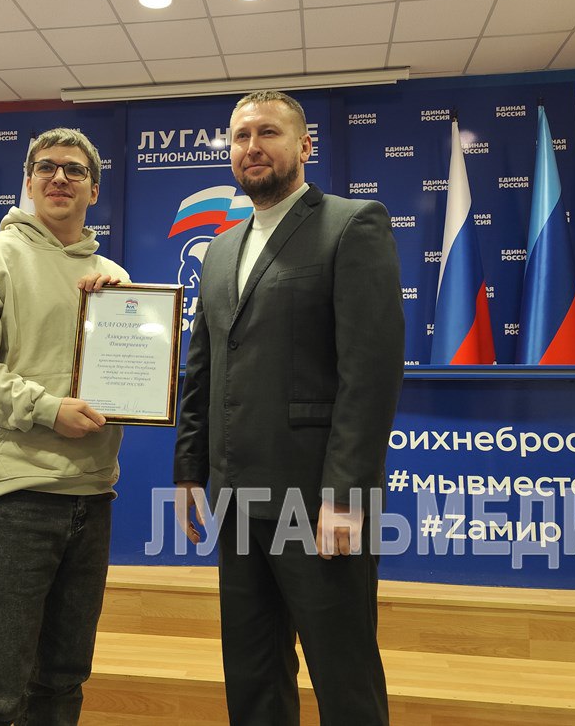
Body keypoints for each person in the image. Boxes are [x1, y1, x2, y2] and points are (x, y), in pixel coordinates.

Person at [173, 91, 405, 725]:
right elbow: (202, 369)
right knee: (253, 677)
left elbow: (369, 375)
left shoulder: (352, 224)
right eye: (241, 136)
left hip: (315, 499)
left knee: (344, 676)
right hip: (235, 498)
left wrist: (345, 496)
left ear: (304, 146)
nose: (252, 147)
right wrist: (190, 471)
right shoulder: (221, 249)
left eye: (268, 133)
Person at [0, 128, 129, 726]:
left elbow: (132, 381)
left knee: (62, 684)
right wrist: (48, 410)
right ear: (28, 181)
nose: (59, 177)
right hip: (13, 502)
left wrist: (124, 313)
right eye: (46, 167)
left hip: (91, 498)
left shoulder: (114, 277)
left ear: (94, 189)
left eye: (74, 169)